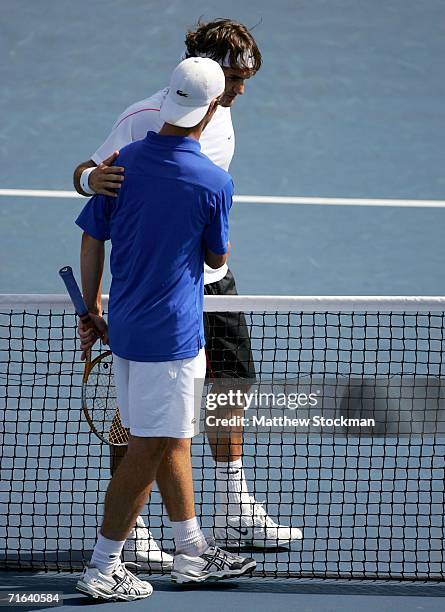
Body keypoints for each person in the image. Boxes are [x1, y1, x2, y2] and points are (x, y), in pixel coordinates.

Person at [74, 18, 301, 565]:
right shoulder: (147, 117)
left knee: (233, 383)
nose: (243, 89)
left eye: (247, 77)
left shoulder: (219, 113)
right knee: (144, 415)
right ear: (204, 69)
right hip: (159, 292)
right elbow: (91, 174)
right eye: (236, 76)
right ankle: (134, 531)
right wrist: (88, 180)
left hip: (209, 283)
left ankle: (234, 505)